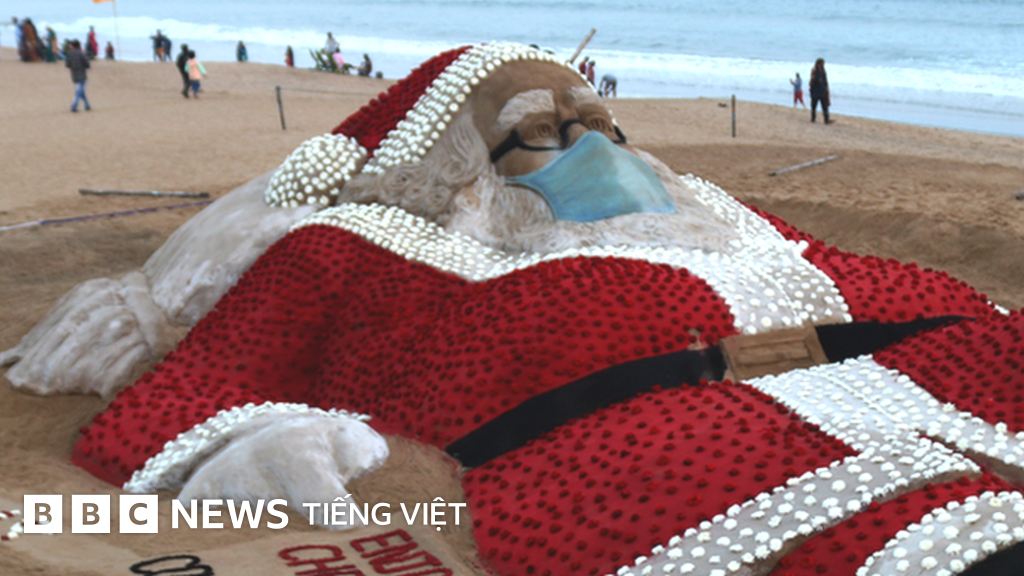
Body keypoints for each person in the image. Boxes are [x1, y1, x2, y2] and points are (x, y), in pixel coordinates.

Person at [12, 43, 1024, 576]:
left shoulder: (712, 209)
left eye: (600, 124)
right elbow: (206, 383)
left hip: (923, 369)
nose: (598, 152)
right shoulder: (366, 247)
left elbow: (856, 273)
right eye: (544, 134)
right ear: (462, 163)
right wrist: (277, 438)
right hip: (663, 445)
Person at [65, 39, 90, 112]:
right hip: (82, 74)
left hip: (74, 74)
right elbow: (87, 64)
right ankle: (74, 105)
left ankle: (87, 105)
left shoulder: (70, 54)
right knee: (79, 91)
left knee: (81, 91)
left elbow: (67, 64)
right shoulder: (81, 53)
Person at [809, 58, 831, 123]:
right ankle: (813, 118)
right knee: (814, 105)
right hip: (816, 90)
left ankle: (826, 119)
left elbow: (825, 81)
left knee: (825, 106)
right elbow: (812, 81)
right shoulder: (814, 70)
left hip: (822, 90)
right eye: (822, 63)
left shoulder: (823, 71)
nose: (823, 64)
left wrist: (826, 89)